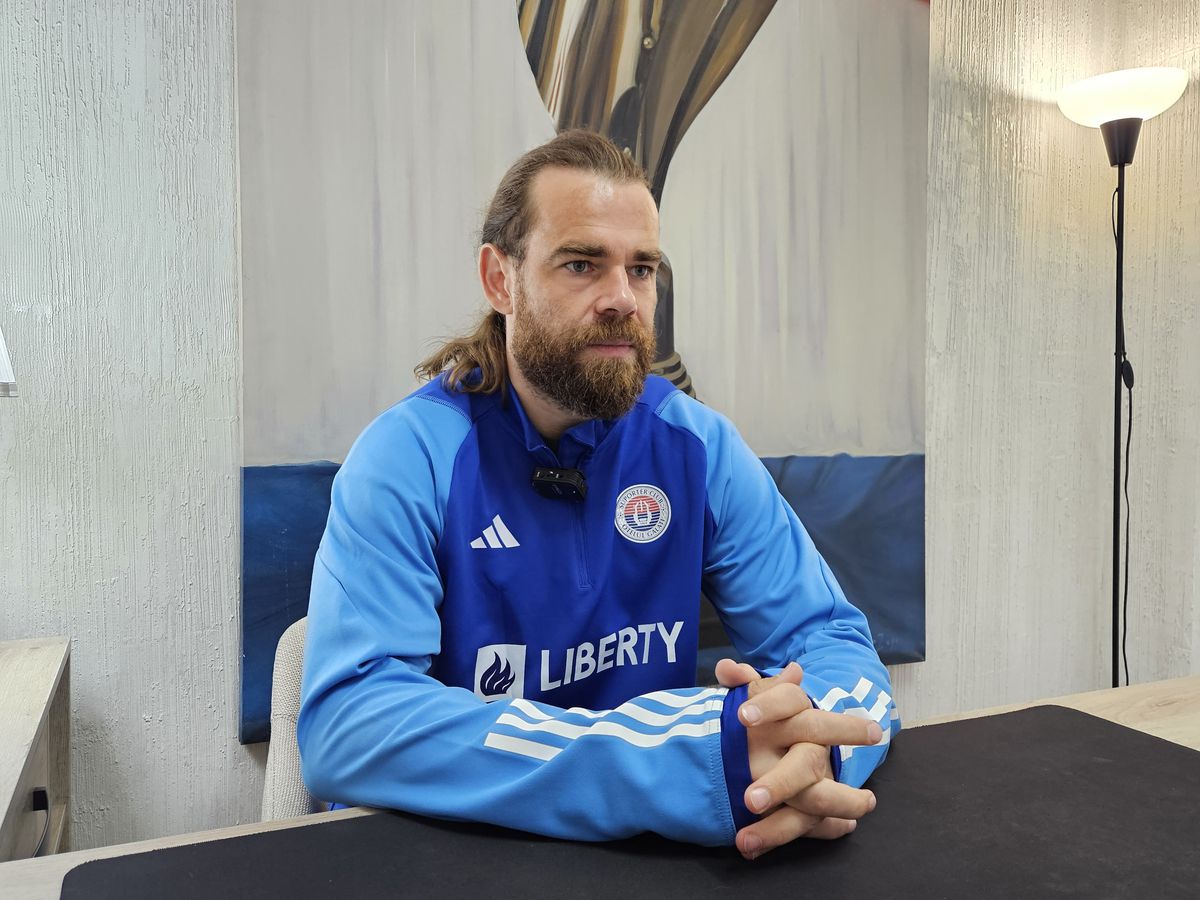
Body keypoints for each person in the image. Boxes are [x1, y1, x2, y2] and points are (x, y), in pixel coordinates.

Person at [298, 130, 898, 861]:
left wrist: (812, 757)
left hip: (648, 860)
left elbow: (833, 643)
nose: (622, 299)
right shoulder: (407, 457)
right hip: (451, 862)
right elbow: (350, 725)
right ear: (500, 280)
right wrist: (676, 763)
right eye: (582, 264)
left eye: (641, 269)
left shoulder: (698, 446)